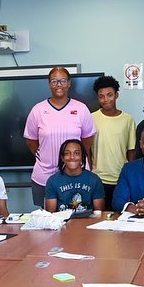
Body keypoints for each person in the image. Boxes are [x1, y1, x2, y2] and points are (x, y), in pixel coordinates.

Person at [24, 66, 96, 208]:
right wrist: (44, 156)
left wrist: (77, 157)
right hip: (45, 176)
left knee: (80, 215)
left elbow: (87, 141)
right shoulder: (38, 110)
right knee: (48, 218)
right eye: (54, 81)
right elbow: (31, 140)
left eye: (63, 80)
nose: (59, 85)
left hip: (77, 176)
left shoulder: (81, 109)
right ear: (49, 84)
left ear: (69, 83)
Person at [91, 75, 136, 210]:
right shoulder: (91, 118)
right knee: (99, 217)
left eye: (109, 95)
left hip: (121, 178)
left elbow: (131, 151)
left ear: (116, 95)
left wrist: (130, 176)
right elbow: (86, 149)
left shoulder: (128, 120)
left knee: (120, 215)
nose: (106, 99)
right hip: (98, 178)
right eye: (101, 96)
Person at [45, 139, 105, 213]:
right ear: (62, 157)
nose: (72, 157)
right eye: (67, 153)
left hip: (88, 220)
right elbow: (50, 214)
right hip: (62, 220)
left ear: (82, 156)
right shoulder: (52, 181)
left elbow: (99, 214)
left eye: (76, 153)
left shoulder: (95, 180)